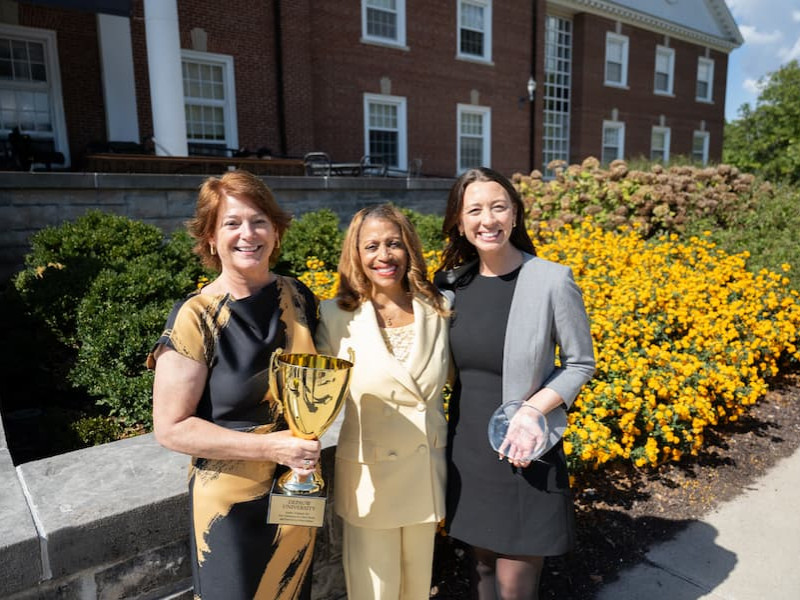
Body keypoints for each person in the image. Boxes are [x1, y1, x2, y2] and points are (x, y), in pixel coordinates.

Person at [148, 170, 321, 600]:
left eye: (259, 220)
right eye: (232, 223)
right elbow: (171, 427)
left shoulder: (298, 297)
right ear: (210, 237)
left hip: (297, 490)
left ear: (276, 230)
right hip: (228, 508)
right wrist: (271, 447)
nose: (248, 233)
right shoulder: (197, 316)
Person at [434, 167, 596, 600]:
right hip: (468, 451)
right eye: (475, 210)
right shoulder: (450, 288)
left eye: (498, 207)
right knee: (481, 577)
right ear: (459, 222)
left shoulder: (550, 280)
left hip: (526, 450)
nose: (488, 219)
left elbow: (580, 363)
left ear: (515, 215)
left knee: (514, 589)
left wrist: (532, 410)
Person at [315, 204, 451, 600]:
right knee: (374, 592)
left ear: (409, 249)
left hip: (425, 472)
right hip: (369, 480)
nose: (384, 255)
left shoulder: (438, 309)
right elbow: (315, 396)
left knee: (415, 589)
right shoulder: (335, 316)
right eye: (371, 246)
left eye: (394, 244)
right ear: (355, 254)